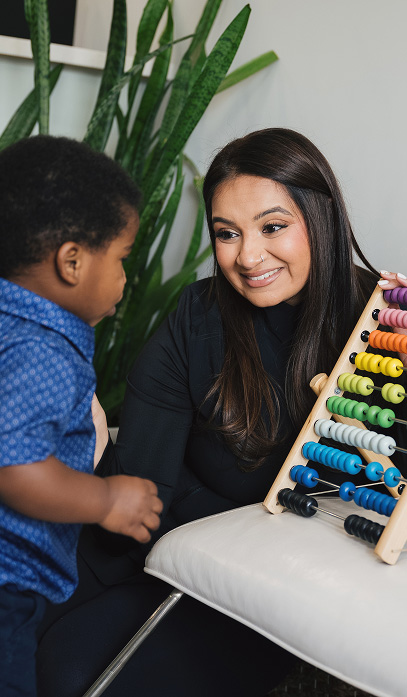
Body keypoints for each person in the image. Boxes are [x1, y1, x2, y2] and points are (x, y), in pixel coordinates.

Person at [36, 128, 407, 697]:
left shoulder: (383, 335)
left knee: (71, 673)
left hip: (255, 586)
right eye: (227, 233)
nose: (248, 256)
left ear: (322, 219)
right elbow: (141, 486)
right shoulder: (196, 315)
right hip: (147, 539)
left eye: (273, 226)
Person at [0, 135, 163, 697]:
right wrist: (107, 500)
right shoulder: (42, 352)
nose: (125, 279)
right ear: (71, 262)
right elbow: (15, 468)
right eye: (121, 260)